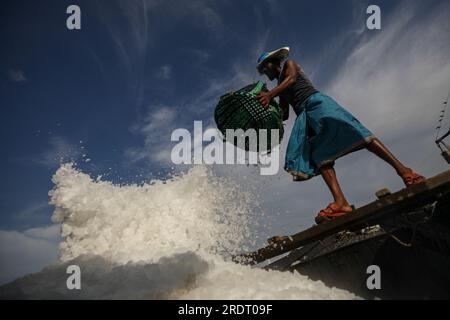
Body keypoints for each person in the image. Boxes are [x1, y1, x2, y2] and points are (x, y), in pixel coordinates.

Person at [255, 47, 426, 224]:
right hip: (304, 118)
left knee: (358, 134)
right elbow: (284, 113)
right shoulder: (278, 89)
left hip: (317, 104)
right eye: (261, 70)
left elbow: (291, 80)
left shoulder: (289, 65)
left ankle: (405, 172)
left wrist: (269, 95)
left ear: (273, 63)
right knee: (320, 158)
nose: (263, 72)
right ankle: (341, 203)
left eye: (264, 68)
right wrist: (267, 113)